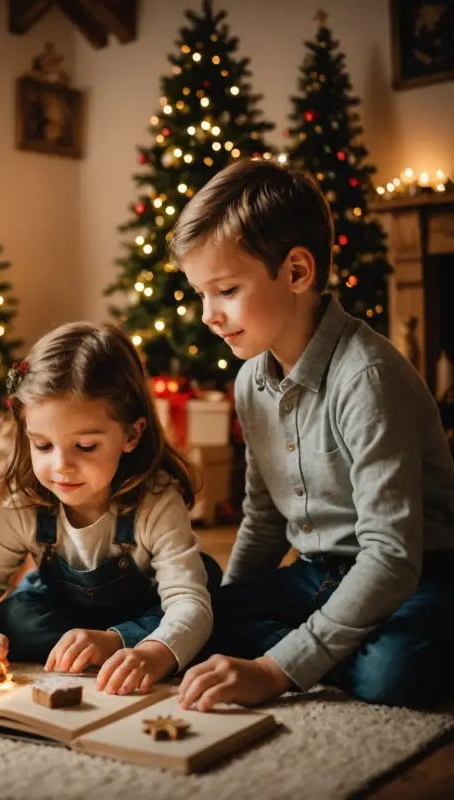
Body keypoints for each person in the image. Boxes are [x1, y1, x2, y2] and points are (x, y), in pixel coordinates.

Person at [171, 158, 454, 710]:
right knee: (207, 617)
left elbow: (392, 556)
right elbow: (263, 521)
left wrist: (274, 671)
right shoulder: (251, 381)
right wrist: (226, 610)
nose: (208, 314)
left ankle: (313, 653)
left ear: (297, 272)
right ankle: (328, 649)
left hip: (414, 576)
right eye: (201, 293)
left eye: (225, 289)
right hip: (315, 576)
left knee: (395, 673)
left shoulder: (367, 377)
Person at [0, 322, 218, 695]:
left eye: (85, 447)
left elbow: (187, 603)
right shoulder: (25, 504)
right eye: (42, 445)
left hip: (144, 614)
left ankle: (112, 643)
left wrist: (148, 652)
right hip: (63, 614)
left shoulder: (157, 502)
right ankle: (84, 646)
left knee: (211, 613)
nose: (61, 466)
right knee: (16, 618)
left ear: (131, 434)